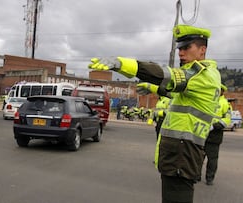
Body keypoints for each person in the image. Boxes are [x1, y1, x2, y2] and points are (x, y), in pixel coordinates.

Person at [88, 24, 221, 203]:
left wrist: (124, 64)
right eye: (179, 48)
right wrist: (152, 88)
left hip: (182, 155)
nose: (181, 52)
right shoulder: (200, 78)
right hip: (180, 154)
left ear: (202, 50)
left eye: (186, 47)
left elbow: (167, 76)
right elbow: (174, 92)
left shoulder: (202, 75)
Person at [203, 84, 231, 185]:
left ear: (223, 91)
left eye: (219, 90)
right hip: (202, 132)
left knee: (212, 159)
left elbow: (227, 119)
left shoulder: (225, 103)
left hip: (215, 135)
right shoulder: (208, 100)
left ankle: (209, 178)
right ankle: (195, 175)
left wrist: (214, 126)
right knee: (198, 156)